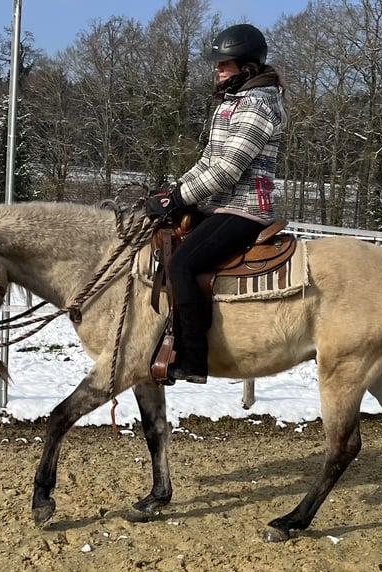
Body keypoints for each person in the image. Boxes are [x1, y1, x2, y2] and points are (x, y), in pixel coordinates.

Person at [145, 23, 287, 384]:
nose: (217, 69)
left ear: (247, 66)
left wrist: (179, 198)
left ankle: (193, 358)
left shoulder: (259, 104)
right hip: (220, 205)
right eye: (217, 63)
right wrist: (172, 192)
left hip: (247, 209)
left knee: (184, 265)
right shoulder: (231, 104)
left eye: (225, 63)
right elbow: (208, 161)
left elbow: (227, 169)